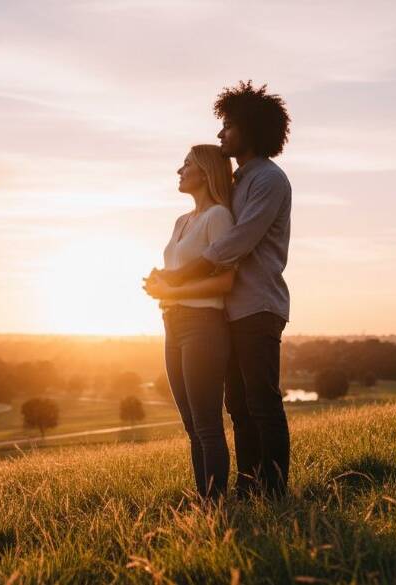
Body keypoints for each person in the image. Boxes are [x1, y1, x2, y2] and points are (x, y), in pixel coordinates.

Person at [157, 81, 293, 498]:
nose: (221, 134)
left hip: (257, 306)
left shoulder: (268, 179)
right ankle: (247, 486)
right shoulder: (237, 182)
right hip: (227, 312)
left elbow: (238, 240)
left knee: (261, 402)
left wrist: (180, 278)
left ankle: (273, 491)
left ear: (250, 129)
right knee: (237, 404)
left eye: (229, 126)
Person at [143, 144, 235, 504]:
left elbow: (226, 282)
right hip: (173, 322)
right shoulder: (182, 221)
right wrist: (159, 282)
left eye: (186, 165)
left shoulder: (219, 217)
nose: (179, 171)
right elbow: (178, 273)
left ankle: (217, 505)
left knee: (208, 425)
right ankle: (205, 500)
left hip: (203, 324)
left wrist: (174, 285)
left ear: (206, 172)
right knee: (191, 427)